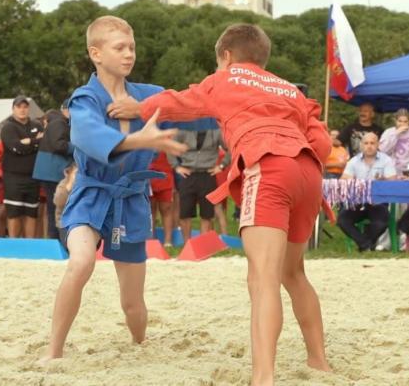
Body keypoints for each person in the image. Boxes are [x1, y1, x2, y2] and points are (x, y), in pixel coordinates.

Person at [117, 23, 332, 385]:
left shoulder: (226, 78)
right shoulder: (291, 91)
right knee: (293, 274)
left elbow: (179, 102)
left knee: (263, 279)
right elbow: (322, 143)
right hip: (308, 171)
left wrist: (137, 107)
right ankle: (319, 362)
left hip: (269, 164)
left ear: (227, 57)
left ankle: (263, 377)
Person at [40, 16, 186, 362]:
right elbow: (86, 135)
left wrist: (146, 110)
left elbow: (192, 105)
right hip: (91, 194)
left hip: (131, 201)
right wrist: (138, 139)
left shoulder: (148, 96)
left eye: (132, 47)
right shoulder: (84, 98)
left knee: (132, 304)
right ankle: (53, 350)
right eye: (119, 48)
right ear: (96, 53)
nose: (128, 54)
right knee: (81, 262)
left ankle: (139, 344)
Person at [167, 120, 230, 243]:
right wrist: (176, 166)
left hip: (208, 174)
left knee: (207, 213)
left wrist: (222, 166)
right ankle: (187, 244)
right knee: (185, 213)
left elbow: (231, 148)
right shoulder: (184, 130)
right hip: (188, 174)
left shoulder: (216, 131)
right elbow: (170, 147)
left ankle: (202, 244)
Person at [337, 132, 397, 251]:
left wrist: (383, 180)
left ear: (378, 144)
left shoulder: (386, 160)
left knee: (381, 223)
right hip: (357, 203)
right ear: (361, 145)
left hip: (378, 202)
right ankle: (366, 245)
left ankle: (364, 245)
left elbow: (393, 182)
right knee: (342, 220)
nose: (369, 146)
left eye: (372, 143)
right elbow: (343, 180)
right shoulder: (353, 161)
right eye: (366, 143)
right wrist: (350, 181)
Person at [0, 96, 44, 238]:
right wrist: (34, 142)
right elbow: (15, 147)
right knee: (14, 212)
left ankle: (29, 246)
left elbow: (42, 144)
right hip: (13, 177)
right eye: (19, 107)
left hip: (33, 176)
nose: (22, 109)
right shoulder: (8, 127)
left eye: (25, 107)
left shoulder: (36, 125)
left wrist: (28, 142)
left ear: (28, 109)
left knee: (31, 212)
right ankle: (14, 244)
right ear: (13, 109)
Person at [32, 104, 73, 241]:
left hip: (50, 171)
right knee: (56, 207)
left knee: (54, 207)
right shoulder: (59, 123)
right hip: (53, 172)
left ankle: (55, 239)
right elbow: (58, 145)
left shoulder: (58, 122)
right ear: (65, 110)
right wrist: (78, 146)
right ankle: (56, 240)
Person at [378, 108, 409, 177]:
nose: (402, 124)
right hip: (391, 171)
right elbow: (383, 151)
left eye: (405, 122)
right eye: (400, 121)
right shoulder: (388, 132)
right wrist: (396, 134)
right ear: (395, 121)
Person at [148, 151, 175, 247]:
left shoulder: (167, 138)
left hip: (165, 176)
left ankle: (168, 241)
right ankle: (151, 239)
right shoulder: (145, 138)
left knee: (166, 208)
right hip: (148, 176)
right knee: (150, 210)